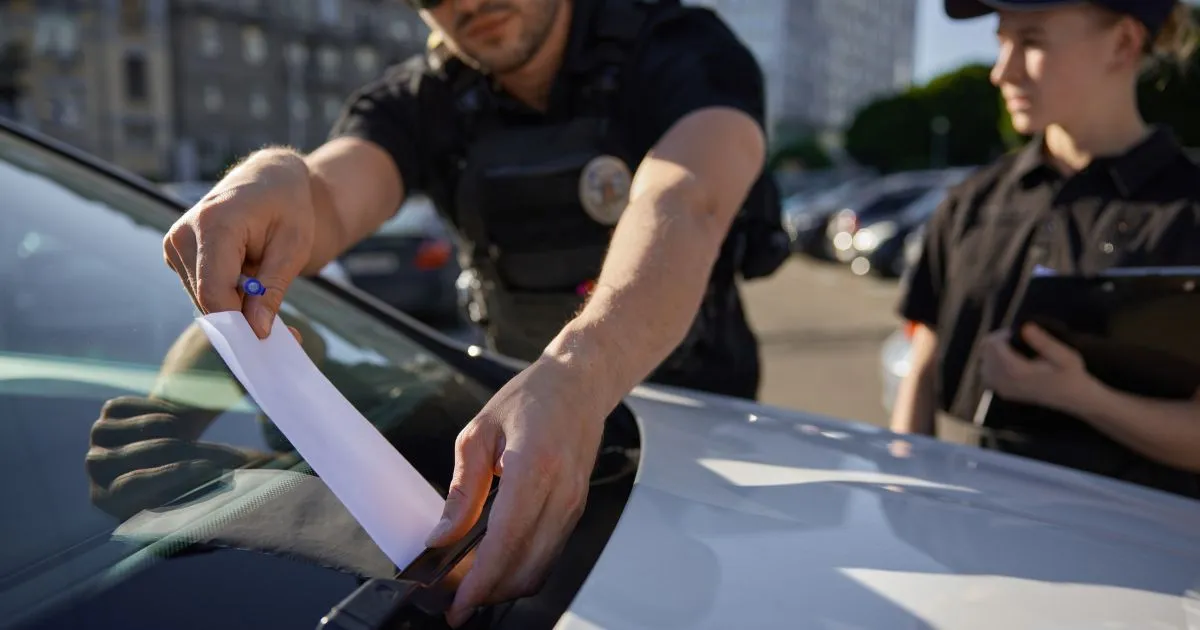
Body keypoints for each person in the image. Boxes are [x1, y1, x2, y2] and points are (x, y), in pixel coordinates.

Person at [161, 0, 781, 624]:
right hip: (508, 454)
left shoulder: (681, 46)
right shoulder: (422, 99)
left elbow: (686, 199)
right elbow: (324, 202)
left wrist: (576, 376)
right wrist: (276, 175)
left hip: (699, 448)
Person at [891, 0, 1200, 498]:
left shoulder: (1187, 213)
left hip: (1131, 566)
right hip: (965, 553)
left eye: (1031, 42)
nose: (1001, 72)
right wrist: (904, 498)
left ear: (1122, 43)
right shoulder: (971, 203)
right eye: (1001, 42)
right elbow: (922, 372)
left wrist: (1083, 398)